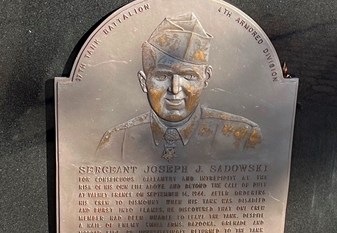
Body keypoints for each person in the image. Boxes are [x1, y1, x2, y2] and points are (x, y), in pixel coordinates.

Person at [97, 13, 261, 162]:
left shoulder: (242, 137)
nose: (175, 89)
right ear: (143, 81)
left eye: (189, 76)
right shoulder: (117, 141)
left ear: (206, 78)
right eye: (162, 77)